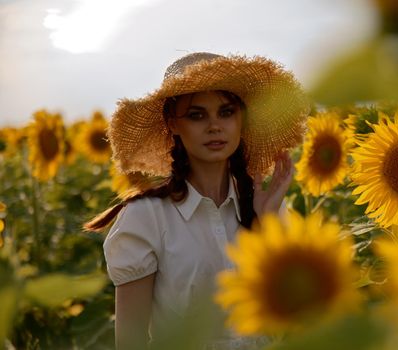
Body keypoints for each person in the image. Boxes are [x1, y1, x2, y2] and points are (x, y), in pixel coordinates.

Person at [84, 52, 310, 349]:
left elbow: (296, 316)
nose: (214, 126)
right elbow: (131, 341)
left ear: (242, 119)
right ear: (172, 124)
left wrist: (266, 227)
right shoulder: (146, 217)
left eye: (226, 112)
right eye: (197, 115)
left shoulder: (268, 207)